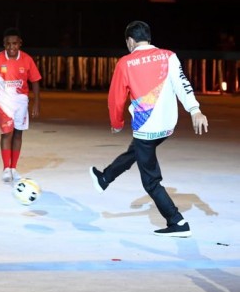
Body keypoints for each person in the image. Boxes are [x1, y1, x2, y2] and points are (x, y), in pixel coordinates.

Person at [90, 20, 209, 237]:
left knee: (151, 181)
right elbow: (182, 83)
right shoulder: (168, 56)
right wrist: (195, 110)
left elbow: (115, 98)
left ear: (130, 40)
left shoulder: (125, 63)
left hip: (146, 127)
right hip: (167, 126)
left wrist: (116, 123)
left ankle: (177, 221)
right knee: (137, 150)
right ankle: (105, 178)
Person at [0, 27, 41, 182]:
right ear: (4, 44)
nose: (11, 47)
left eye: (14, 44)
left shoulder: (27, 59)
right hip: (3, 101)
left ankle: (14, 168)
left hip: (21, 101)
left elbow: (35, 81)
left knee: (18, 133)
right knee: (6, 133)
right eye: (8, 44)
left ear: (20, 43)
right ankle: (6, 168)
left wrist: (36, 103)